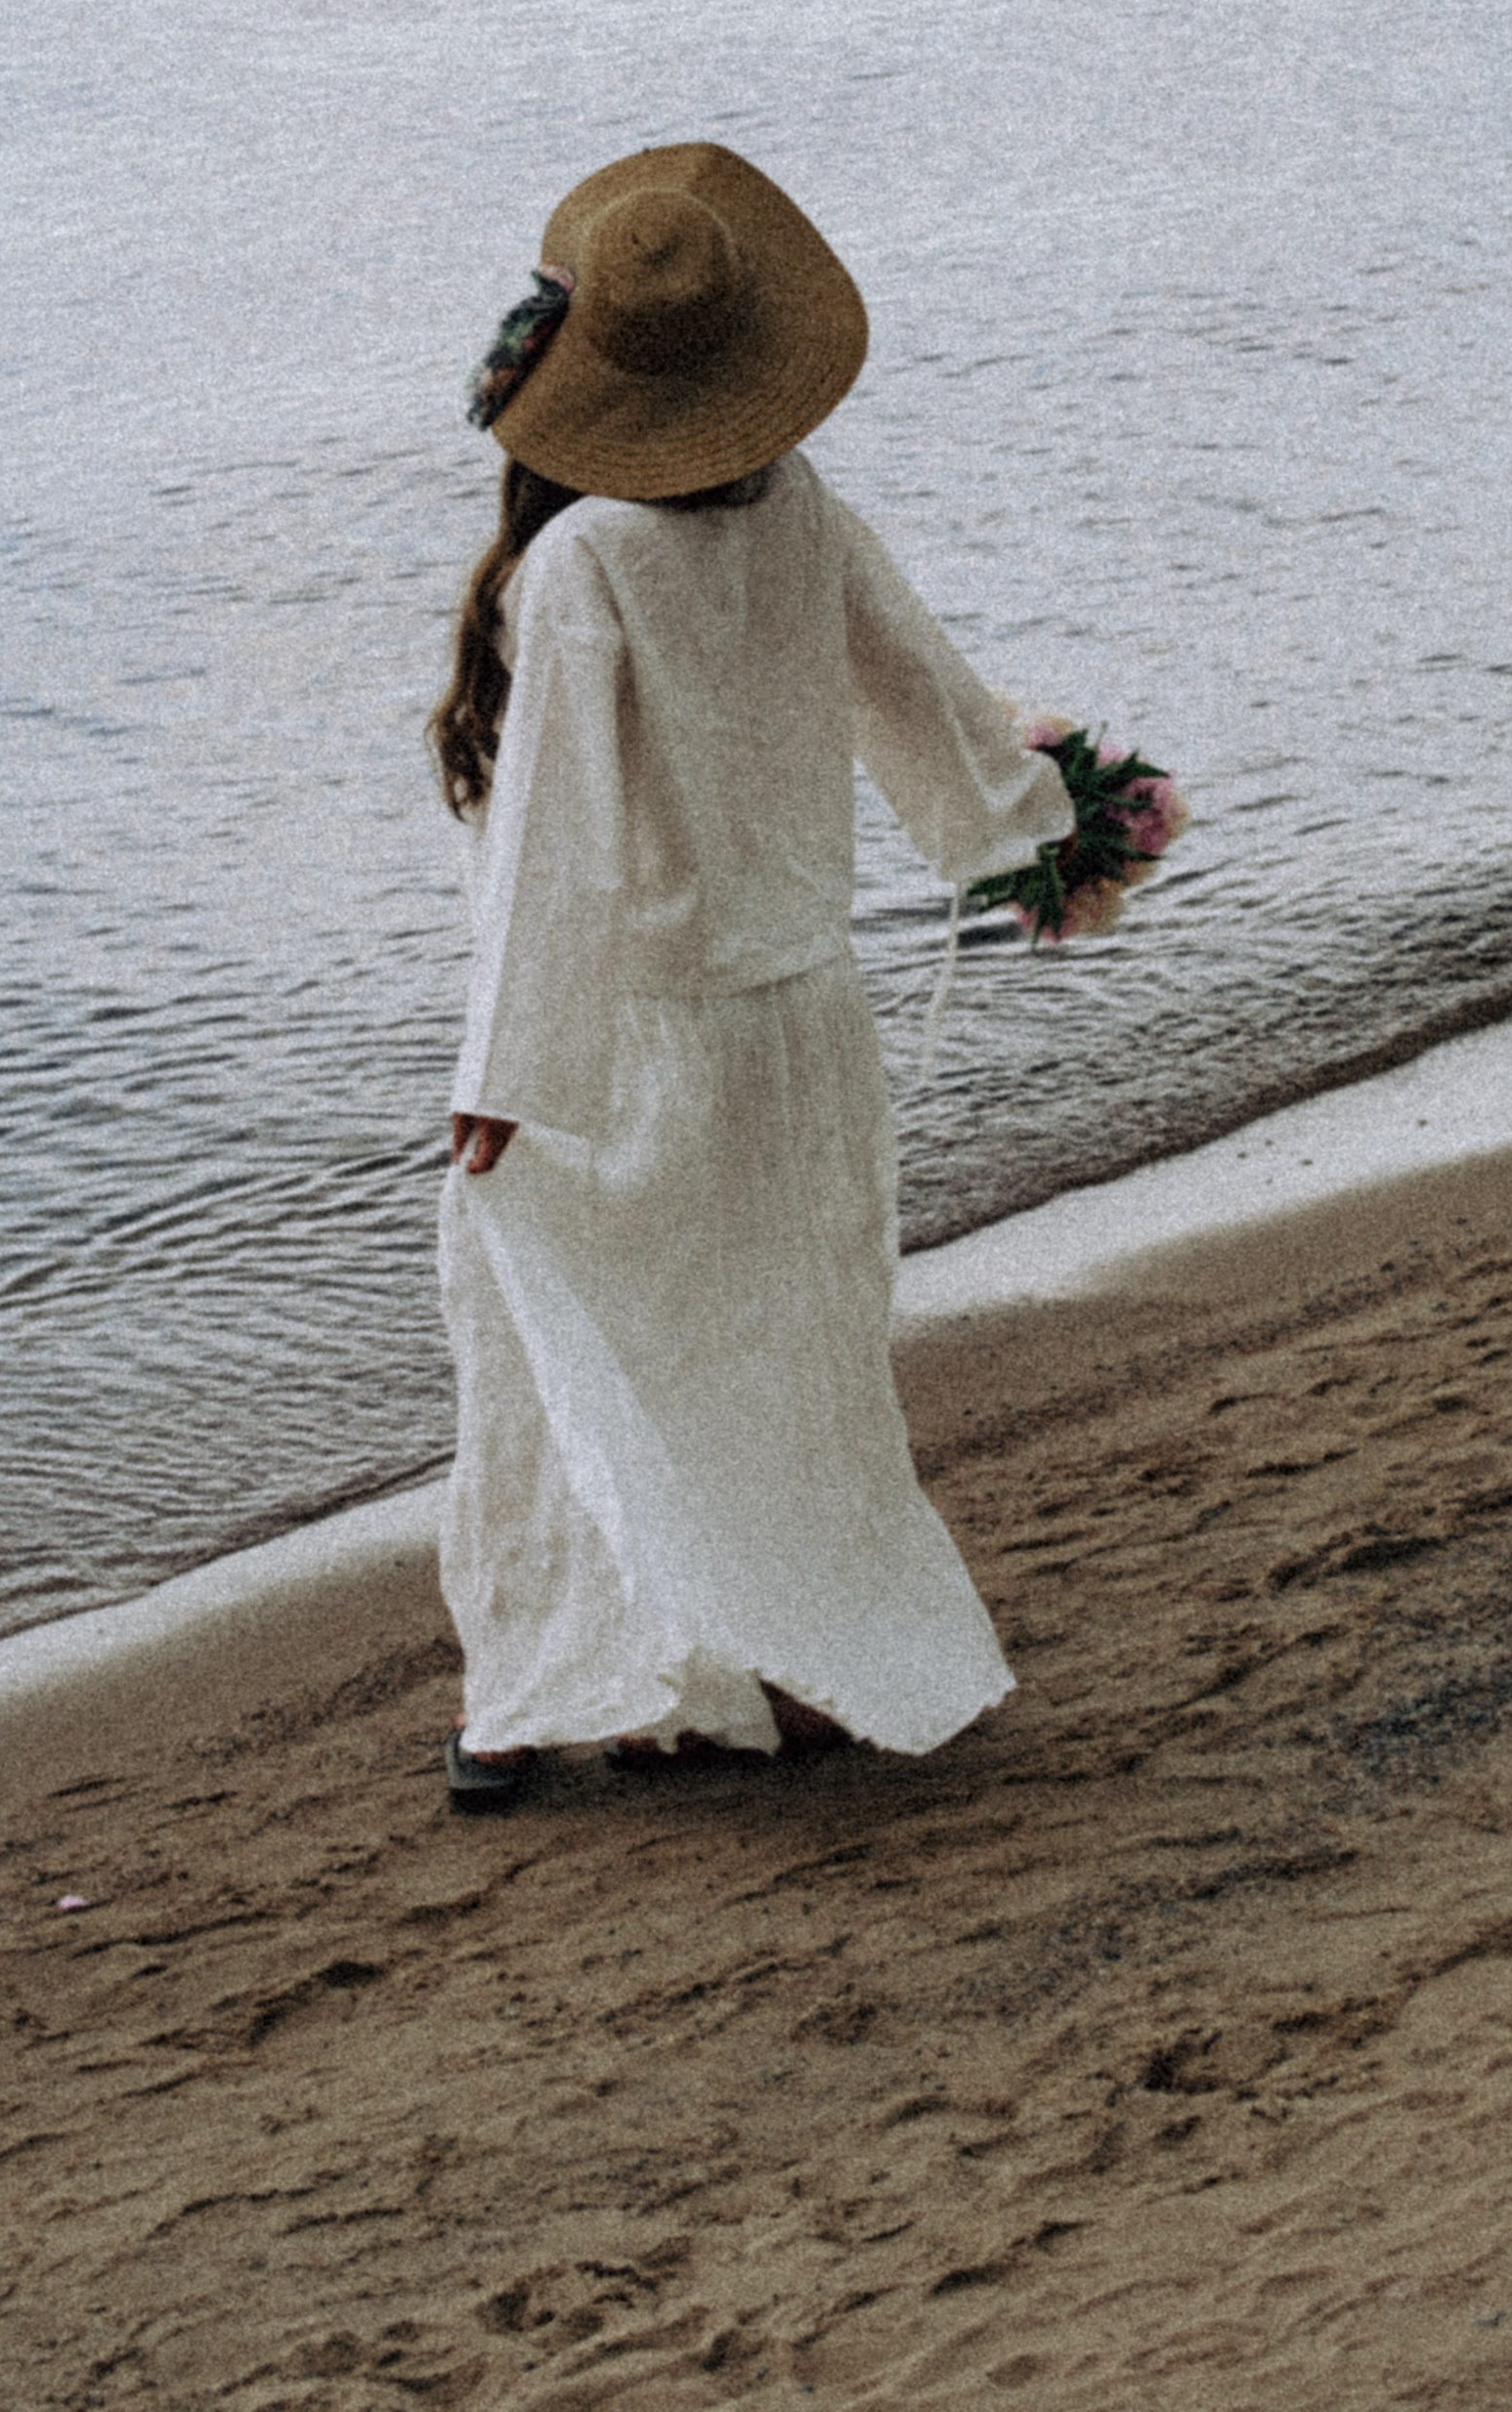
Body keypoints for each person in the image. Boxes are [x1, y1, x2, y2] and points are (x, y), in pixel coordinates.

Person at [427, 140, 1074, 1815]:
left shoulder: (582, 568)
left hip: (640, 1042)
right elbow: (925, 695)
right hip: (802, 1027)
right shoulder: (801, 513)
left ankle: (535, 1698)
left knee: (547, 1337)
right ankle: (779, 1668)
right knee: (785, 1362)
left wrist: (509, 1072)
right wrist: (1039, 839)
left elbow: (553, 839)